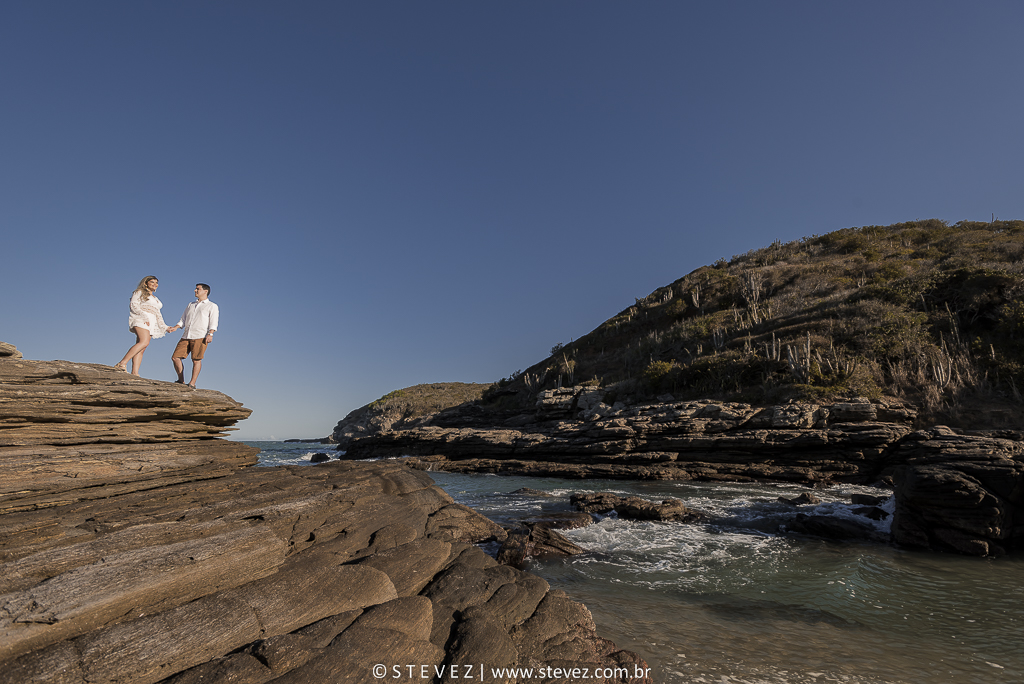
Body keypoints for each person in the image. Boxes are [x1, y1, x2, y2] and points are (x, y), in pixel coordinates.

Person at [115, 276, 174, 376]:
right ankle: (122, 363)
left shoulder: (156, 299)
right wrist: (144, 317)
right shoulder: (139, 292)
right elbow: (133, 305)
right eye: (152, 282)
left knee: (142, 348)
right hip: (141, 319)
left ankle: (135, 373)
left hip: (151, 322)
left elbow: (158, 314)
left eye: (156, 282)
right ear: (146, 283)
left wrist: (165, 327)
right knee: (144, 342)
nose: (155, 284)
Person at [169, 283, 219, 389]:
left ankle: (192, 383)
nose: (195, 291)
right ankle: (181, 380)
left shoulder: (212, 306)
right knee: (175, 357)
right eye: (195, 289)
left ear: (205, 291)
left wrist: (210, 334)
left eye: (198, 289)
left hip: (200, 335)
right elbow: (183, 319)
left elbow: (213, 321)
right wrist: (176, 327)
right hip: (186, 335)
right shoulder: (191, 304)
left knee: (196, 359)